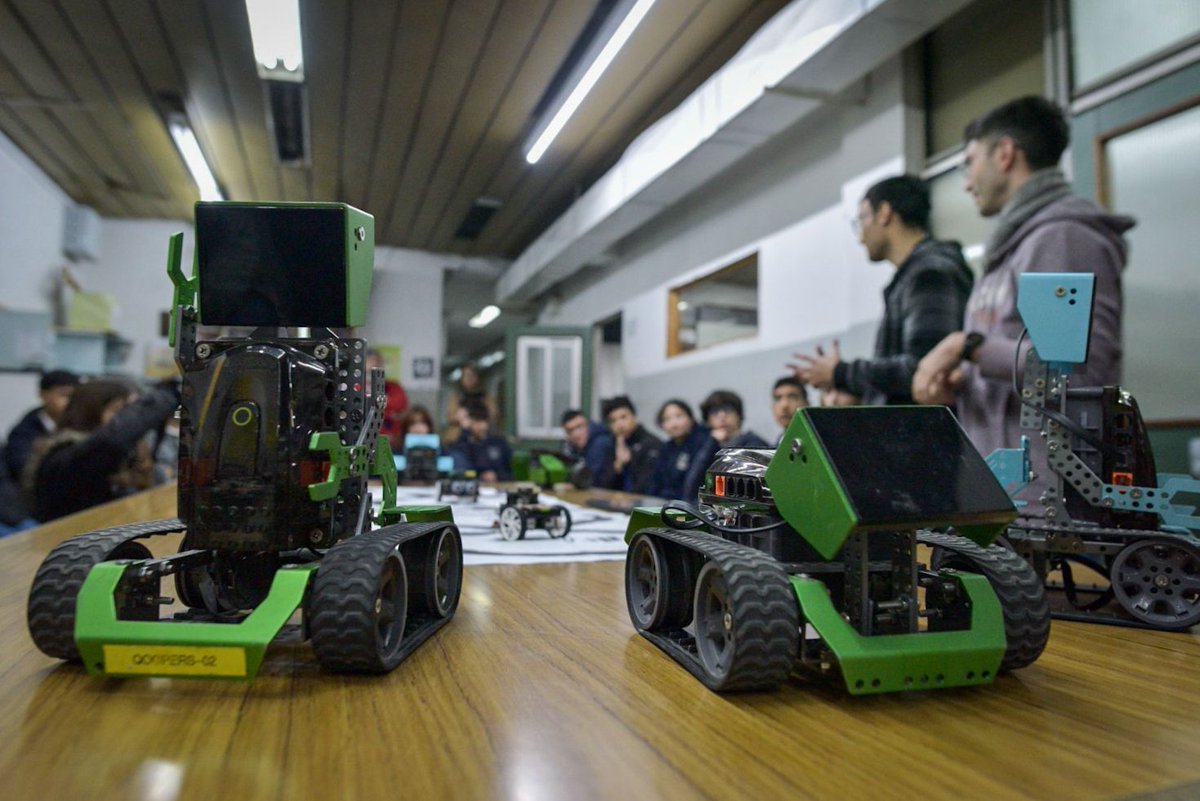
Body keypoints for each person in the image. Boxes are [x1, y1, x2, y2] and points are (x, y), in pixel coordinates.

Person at [912, 95, 1134, 463]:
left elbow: (1078, 379)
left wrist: (967, 348)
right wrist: (964, 383)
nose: (967, 183)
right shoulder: (1011, 250)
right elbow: (1017, 364)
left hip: (1051, 509)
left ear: (1004, 154)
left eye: (970, 163)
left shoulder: (1062, 239)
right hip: (1005, 494)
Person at [791, 175, 973, 406]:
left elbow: (925, 369)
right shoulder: (911, 276)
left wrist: (842, 373)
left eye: (862, 220)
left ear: (884, 213)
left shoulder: (929, 273)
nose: (860, 237)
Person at [22, 378, 179, 522]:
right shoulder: (65, 452)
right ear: (91, 411)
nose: (128, 419)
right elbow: (109, 441)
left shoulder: (130, 452)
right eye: (121, 411)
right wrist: (168, 395)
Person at [4, 369, 80, 480]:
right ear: (43, 395)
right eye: (64, 395)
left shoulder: (81, 425)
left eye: (76, 396)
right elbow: (22, 469)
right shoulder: (24, 432)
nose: (71, 401)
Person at [651, 399, 717, 500]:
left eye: (678, 416)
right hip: (665, 502)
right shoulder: (666, 447)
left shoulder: (704, 442)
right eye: (666, 419)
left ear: (691, 418)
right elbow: (656, 481)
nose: (673, 424)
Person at [601, 396, 661, 494]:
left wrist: (630, 462)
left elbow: (646, 487)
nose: (619, 424)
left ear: (634, 417)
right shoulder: (611, 444)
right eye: (613, 421)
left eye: (623, 417)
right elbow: (602, 486)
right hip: (614, 503)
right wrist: (618, 465)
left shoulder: (652, 444)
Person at [448, 398, 512, 482]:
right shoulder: (463, 444)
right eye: (475, 421)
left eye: (482, 420)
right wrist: (465, 431)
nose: (480, 426)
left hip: (498, 488)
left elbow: (510, 472)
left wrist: (497, 475)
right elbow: (461, 468)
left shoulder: (499, 443)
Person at [560, 409, 614, 490]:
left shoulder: (601, 443)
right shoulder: (570, 445)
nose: (576, 434)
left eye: (579, 427)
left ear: (587, 424)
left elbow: (592, 479)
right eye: (570, 431)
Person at [366, 349, 409, 451]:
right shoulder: (356, 389)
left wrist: (378, 407)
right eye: (370, 363)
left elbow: (400, 405)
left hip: (395, 444)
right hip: (368, 443)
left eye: (378, 363)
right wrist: (389, 411)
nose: (374, 366)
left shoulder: (394, 387)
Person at [700, 390, 769, 449]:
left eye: (727, 409)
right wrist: (712, 443)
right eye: (715, 411)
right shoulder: (707, 444)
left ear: (739, 415)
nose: (722, 416)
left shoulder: (753, 443)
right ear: (708, 420)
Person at [770, 376, 808, 442]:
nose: (784, 405)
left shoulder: (818, 441)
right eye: (778, 398)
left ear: (807, 404)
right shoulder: (778, 442)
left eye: (792, 398)